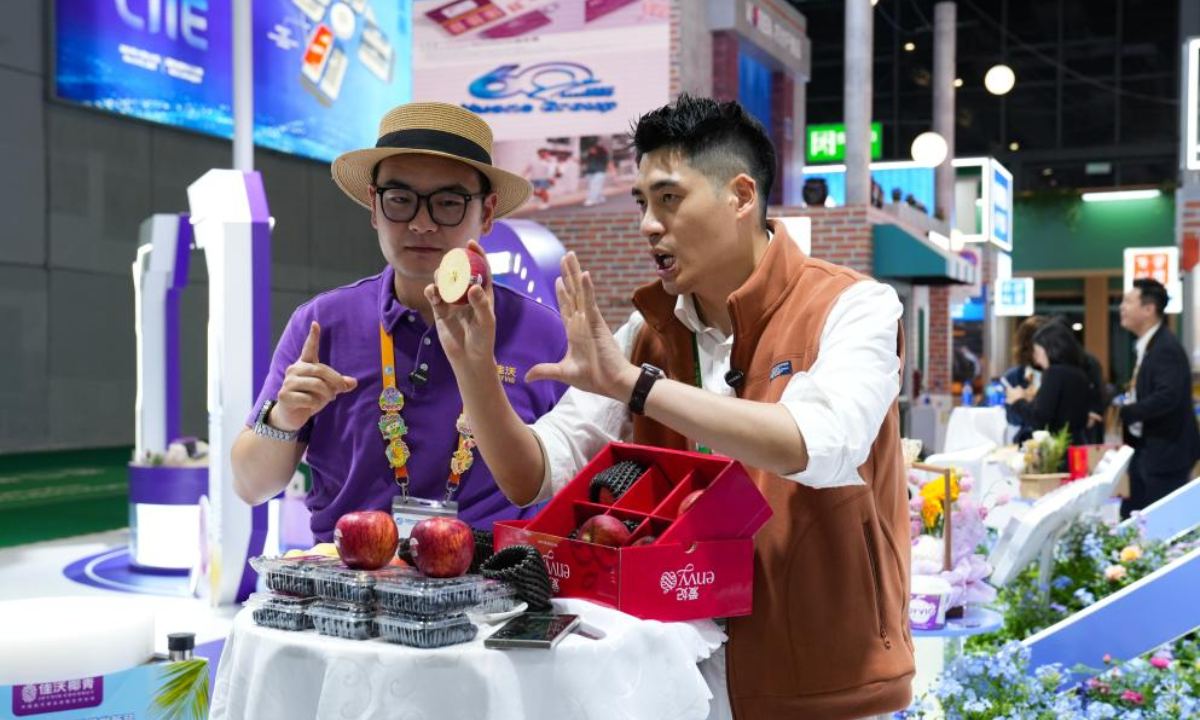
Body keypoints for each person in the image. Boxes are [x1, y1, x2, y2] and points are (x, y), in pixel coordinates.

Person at [427, 95, 912, 720]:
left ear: (740, 197)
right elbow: (533, 474)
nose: (648, 224)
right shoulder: (642, 334)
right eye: (641, 203)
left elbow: (815, 443)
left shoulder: (855, 307)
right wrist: (472, 366)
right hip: (676, 680)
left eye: (669, 198)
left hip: (824, 677)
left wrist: (637, 387)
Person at [229, 102, 568, 542]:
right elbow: (250, 486)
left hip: (496, 590)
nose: (422, 223)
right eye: (401, 200)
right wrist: (284, 419)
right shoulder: (322, 324)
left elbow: (584, 486)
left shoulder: (542, 334)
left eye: (447, 203)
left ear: (486, 214)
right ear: (374, 207)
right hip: (349, 589)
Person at [1117, 278, 1200, 517]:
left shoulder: (1165, 347)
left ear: (1149, 309)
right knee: (1136, 518)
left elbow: (1167, 397)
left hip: (1166, 452)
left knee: (1162, 524)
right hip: (1149, 448)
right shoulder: (1150, 344)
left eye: (1128, 301)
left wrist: (1127, 411)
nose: (1122, 307)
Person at [1005, 321, 1091, 450]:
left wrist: (1018, 400)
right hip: (1077, 446)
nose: (1037, 360)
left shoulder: (1053, 373)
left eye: (1038, 352)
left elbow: (1039, 420)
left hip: (1057, 450)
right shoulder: (1079, 373)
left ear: (1050, 349)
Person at [1003, 315, 1047, 443]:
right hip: (1025, 441)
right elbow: (1012, 418)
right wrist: (1022, 402)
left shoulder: (1056, 374)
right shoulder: (1014, 376)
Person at [583, 142, 611, 206]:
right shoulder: (589, 156)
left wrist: (613, 172)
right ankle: (599, 197)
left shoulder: (603, 156)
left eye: (593, 149)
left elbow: (609, 163)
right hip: (589, 172)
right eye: (590, 149)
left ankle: (591, 199)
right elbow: (585, 163)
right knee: (592, 186)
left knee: (594, 185)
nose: (591, 150)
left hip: (600, 172)